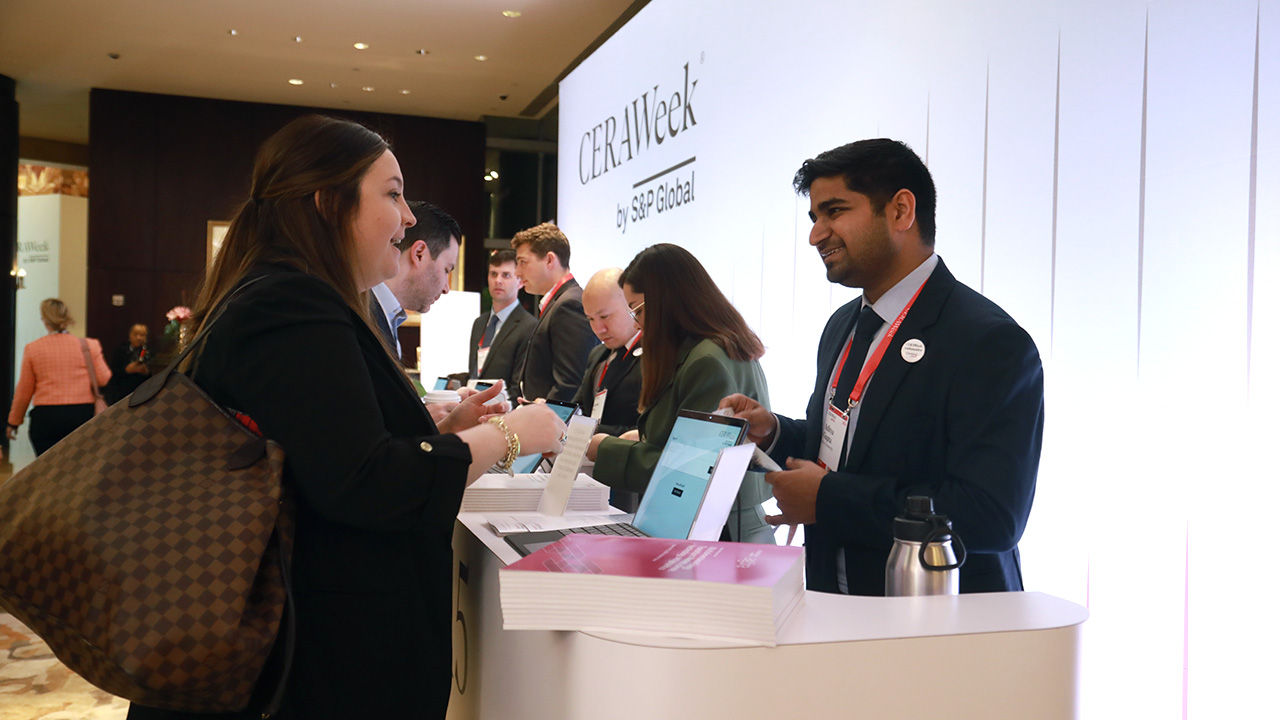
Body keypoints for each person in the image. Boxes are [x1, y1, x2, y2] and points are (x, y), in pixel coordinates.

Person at [124, 115, 565, 720]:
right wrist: (509, 435)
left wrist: (437, 432)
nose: (409, 216)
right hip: (315, 665)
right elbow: (371, 482)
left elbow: (324, 453)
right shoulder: (293, 304)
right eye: (392, 193)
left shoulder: (285, 297)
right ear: (328, 204)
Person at [719, 139, 1044, 596]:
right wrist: (773, 432)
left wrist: (828, 500)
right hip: (838, 606)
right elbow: (845, 446)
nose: (816, 235)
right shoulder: (842, 326)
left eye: (835, 212)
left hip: (940, 633)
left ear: (901, 211)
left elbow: (991, 515)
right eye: (814, 218)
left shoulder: (988, 341)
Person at [586, 244, 773, 542]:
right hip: (717, 524)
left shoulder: (707, 360)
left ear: (666, 301)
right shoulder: (710, 349)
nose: (637, 322)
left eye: (639, 310)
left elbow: (690, 470)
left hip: (718, 532)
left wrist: (602, 448)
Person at [571, 267, 643, 511]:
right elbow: (579, 407)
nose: (598, 328)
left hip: (631, 488)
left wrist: (591, 433)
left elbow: (647, 430)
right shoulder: (598, 355)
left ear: (630, 306)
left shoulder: (655, 358)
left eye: (605, 317)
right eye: (591, 319)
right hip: (590, 480)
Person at [7, 298, 112, 455]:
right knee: (80, 467)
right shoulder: (89, 346)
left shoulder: (33, 349)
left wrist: (14, 422)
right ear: (66, 318)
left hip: (46, 418)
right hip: (82, 415)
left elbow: (24, 391)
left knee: (47, 469)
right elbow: (104, 378)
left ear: (44, 320)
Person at [510, 222, 598, 402]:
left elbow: (570, 384)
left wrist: (542, 416)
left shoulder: (569, 305)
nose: (517, 272)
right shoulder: (561, 302)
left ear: (550, 260)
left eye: (523, 262)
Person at [368, 200, 460, 359]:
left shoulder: (387, 319)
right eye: (446, 270)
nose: (446, 288)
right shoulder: (360, 314)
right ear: (419, 254)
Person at [468, 249, 535, 391]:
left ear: (520, 281)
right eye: (493, 274)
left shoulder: (529, 327)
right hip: (473, 406)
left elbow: (519, 386)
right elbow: (475, 374)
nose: (498, 280)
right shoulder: (479, 323)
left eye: (506, 275)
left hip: (504, 409)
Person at [103, 323, 151, 405]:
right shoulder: (120, 351)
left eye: (142, 335)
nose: (139, 338)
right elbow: (112, 372)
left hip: (141, 393)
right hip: (121, 393)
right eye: (136, 334)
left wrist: (146, 372)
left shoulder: (148, 351)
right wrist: (127, 370)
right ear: (130, 335)